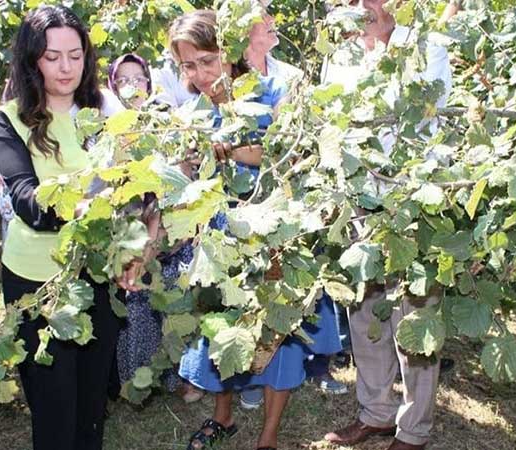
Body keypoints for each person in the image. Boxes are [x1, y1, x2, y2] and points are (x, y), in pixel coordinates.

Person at [167, 10, 341, 450]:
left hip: (275, 233)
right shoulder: (193, 110)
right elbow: (192, 178)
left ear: (228, 52)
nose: (200, 73)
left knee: (276, 331)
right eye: (189, 66)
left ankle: (268, 433)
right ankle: (222, 417)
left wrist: (232, 151)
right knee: (221, 327)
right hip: (222, 234)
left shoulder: (273, 90)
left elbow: (291, 154)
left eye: (207, 61)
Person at [0, 5, 126, 449]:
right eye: (52, 57)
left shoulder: (105, 111)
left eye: (75, 55)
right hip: (36, 283)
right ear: (31, 60)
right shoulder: (8, 119)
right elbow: (27, 200)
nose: (66, 67)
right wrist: (90, 205)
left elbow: (137, 182)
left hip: (97, 275)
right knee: (51, 402)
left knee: (90, 403)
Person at [323, 1, 452, 449]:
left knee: (415, 320)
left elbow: (433, 120)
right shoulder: (338, 54)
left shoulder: (426, 46)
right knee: (365, 313)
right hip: (358, 202)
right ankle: (375, 413)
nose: (363, 8)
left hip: (412, 203)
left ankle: (413, 430)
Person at [106, 52, 205, 403]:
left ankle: (184, 377)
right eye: (124, 80)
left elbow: (182, 178)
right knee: (138, 307)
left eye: (139, 79)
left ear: (149, 84)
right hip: (131, 234)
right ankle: (139, 382)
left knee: (177, 306)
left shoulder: (169, 124)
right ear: (112, 86)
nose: (132, 86)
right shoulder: (108, 131)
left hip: (169, 230)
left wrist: (156, 233)